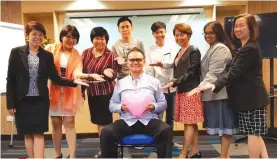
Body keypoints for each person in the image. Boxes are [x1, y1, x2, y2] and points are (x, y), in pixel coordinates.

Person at [189, 14, 269, 158]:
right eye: (236, 26)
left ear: (251, 27)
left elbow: (234, 72)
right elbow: (230, 70)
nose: (237, 29)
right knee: (255, 133)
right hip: (248, 99)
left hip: (252, 98)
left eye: (241, 25)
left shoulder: (249, 48)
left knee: (252, 134)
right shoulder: (243, 47)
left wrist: (214, 85)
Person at [6, 21, 87, 158]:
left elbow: (55, 78)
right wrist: (10, 103)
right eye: (34, 34)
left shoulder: (47, 55)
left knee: (38, 133)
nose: (38, 37)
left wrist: (74, 82)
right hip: (22, 101)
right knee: (27, 134)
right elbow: (11, 80)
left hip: (40, 100)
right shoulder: (16, 52)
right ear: (27, 35)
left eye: (41, 35)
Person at [100, 47, 172, 158]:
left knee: (166, 130)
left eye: (138, 59)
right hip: (127, 121)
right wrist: (121, 107)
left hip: (149, 121)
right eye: (131, 60)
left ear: (144, 61)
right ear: (127, 63)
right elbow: (112, 105)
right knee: (106, 132)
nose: (135, 62)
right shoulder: (120, 83)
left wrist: (153, 106)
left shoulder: (154, 82)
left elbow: (163, 104)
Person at [45, 25, 99, 159]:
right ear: (62, 36)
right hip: (52, 90)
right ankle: (58, 154)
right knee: (55, 123)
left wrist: (89, 75)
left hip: (70, 91)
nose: (71, 40)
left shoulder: (77, 54)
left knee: (69, 123)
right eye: (68, 36)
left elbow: (77, 72)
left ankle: (73, 155)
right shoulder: (50, 49)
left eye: (74, 38)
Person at [150, 23, 203, 158]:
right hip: (183, 90)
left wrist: (174, 81)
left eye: (182, 34)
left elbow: (192, 72)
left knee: (188, 124)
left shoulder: (193, 50)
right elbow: (175, 64)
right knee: (191, 122)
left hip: (190, 91)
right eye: (177, 35)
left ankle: (184, 152)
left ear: (189, 35)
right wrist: (161, 64)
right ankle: (195, 149)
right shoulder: (181, 51)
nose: (179, 37)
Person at [200, 21, 239, 158]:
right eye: (205, 33)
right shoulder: (212, 48)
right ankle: (224, 155)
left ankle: (224, 156)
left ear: (218, 33)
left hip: (222, 95)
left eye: (211, 32)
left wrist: (199, 88)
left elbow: (214, 73)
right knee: (220, 127)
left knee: (225, 127)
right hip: (214, 95)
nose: (207, 35)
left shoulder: (221, 48)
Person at [145, 21, 181, 158]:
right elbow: (148, 71)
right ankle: (157, 145)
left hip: (172, 88)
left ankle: (170, 142)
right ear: (153, 34)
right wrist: (154, 88)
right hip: (158, 90)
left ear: (165, 32)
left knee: (170, 118)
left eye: (162, 32)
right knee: (158, 119)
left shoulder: (174, 47)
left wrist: (173, 82)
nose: (159, 35)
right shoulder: (149, 50)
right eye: (156, 32)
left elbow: (175, 66)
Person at [82, 26, 119, 158]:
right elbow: (82, 72)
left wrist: (107, 72)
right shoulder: (86, 53)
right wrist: (82, 92)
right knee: (98, 122)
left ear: (106, 40)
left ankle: (107, 149)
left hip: (105, 92)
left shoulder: (110, 55)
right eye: (97, 38)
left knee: (106, 123)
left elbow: (115, 72)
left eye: (102, 38)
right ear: (92, 39)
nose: (100, 41)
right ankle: (105, 147)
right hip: (92, 92)